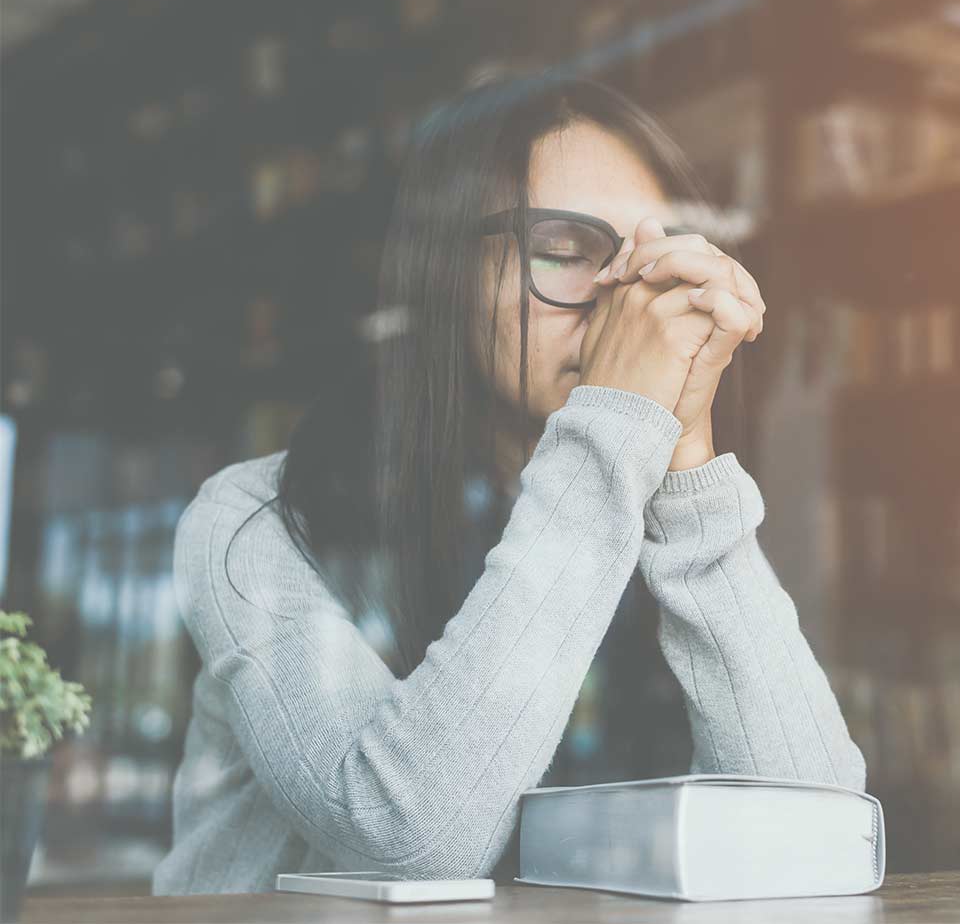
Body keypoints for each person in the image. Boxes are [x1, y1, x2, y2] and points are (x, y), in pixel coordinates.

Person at [152, 75, 866, 894]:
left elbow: (820, 836)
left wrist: (688, 471)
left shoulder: (634, 507)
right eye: (564, 251)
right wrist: (618, 421)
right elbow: (411, 839)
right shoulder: (252, 524)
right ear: (446, 273)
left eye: (653, 265)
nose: (626, 307)